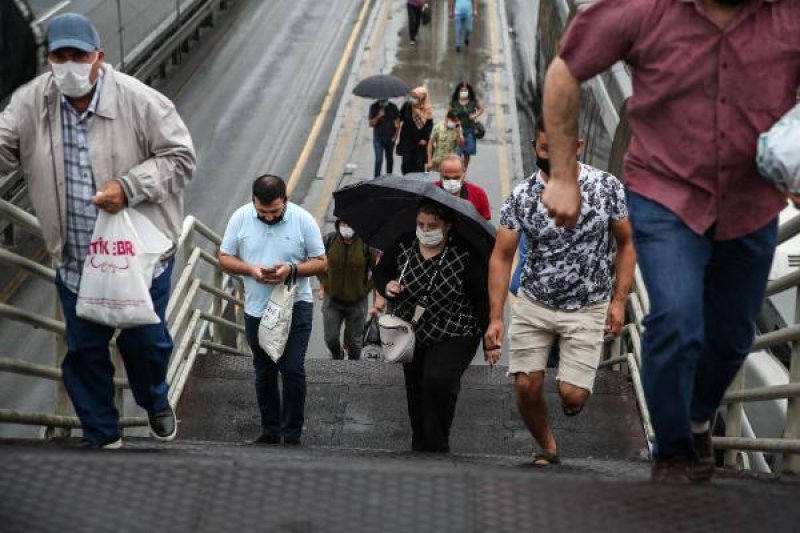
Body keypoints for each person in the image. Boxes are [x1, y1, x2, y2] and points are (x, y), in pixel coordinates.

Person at [540, 0, 800, 483]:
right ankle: (674, 452)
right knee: (677, 319)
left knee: (732, 337)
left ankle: (699, 418)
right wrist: (561, 174)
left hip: (752, 202)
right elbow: (565, 69)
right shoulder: (643, 10)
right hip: (667, 196)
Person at [0, 14, 195, 449]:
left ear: (98, 57)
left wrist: (128, 188)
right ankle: (101, 434)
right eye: (59, 56)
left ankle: (154, 399)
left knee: (145, 342)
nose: (69, 65)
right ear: (47, 59)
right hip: (76, 258)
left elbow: (181, 158)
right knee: (85, 351)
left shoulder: (139, 101)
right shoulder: (31, 103)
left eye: (78, 56)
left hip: (141, 256)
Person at [484, 121, 636, 467]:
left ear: (578, 147)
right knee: (526, 386)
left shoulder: (605, 187)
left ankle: (573, 397)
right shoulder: (522, 196)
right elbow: (502, 255)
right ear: (535, 148)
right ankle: (547, 446)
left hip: (588, 306)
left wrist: (619, 300)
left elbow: (626, 243)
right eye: (544, 148)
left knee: (573, 394)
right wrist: (495, 316)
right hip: (534, 302)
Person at [218, 175, 326, 446]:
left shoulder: (303, 220)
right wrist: (250, 269)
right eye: (262, 212)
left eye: (275, 212)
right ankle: (270, 431)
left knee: (291, 369)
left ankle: (291, 434)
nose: (268, 217)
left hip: (295, 305)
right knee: (264, 371)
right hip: (257, 308)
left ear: (286, 201)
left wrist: (291, 270)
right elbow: (224, 257)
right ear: (253, 202)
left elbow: (321, 262)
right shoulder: (240, 217)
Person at [374, 201, 489, 453]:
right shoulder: (405, 243)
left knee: (438, 379)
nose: (425, 230)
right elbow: (381, 273)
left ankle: (438, 443)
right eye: (421, 224)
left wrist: (489, 338)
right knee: (415, 388)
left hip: (455, 328)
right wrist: (388, 287)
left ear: (447, 226)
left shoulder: (465, 253)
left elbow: (482, 298)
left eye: (433, 226)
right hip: (411, 330)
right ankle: (420, 444)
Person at [318, 219, 378, 360]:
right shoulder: (329, 240)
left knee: (355, 343)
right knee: (330, 338)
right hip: (332, 302)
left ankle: (353, 372)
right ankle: (338, 355)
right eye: (343, 224)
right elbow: (317, 263)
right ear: (338, 224)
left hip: (357, 303)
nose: (346, 228)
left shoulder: (366, 244)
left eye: (350, 224)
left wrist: (364, 290)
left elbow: (377, 272)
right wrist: (326, 283)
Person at [433, 154, 491, 220]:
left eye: (456, 178)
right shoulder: (430, 192)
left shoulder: (478, 194)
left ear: (463, 172)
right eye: (446, 178)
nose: (451, 182)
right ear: (440, 173)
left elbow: (485, 224)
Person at [397, 87, 433, 175]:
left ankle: (417, 185)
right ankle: (406, 180)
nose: (413, 99)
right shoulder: (407, 106)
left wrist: (425, 138)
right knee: (406, 163)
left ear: (422, 98)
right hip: (406, 140)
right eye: (412, 96)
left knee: (419, 165)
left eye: (416, 97)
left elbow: (429, 125)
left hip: (420, 143)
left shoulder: (427, 109)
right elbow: (399, 117)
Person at [449, 82, 483, 170]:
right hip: (457, 130)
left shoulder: (473, 101)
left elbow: (481, 109)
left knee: (467, 153)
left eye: (465, 90)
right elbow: (449, 114)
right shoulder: (454, 102)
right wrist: (454, 121)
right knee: (457, 152)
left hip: (470, 130)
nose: (464, 92)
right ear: (458, 91)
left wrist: (475, 116)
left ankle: (464, 170)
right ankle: (458, 169)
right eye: (462, 90)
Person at [369, 98, 400, 177]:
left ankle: (388, 178)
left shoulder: (393, 107)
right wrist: (378, 116)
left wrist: (395, 136)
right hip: (378, 139)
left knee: (389, 159)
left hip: (390, 138)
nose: (383, 102)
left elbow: (397, 123)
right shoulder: (374, 107)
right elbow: (371, 124)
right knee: (379, 160)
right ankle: (376, 180)